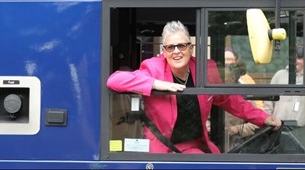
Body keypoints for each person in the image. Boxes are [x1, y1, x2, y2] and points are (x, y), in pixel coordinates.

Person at [106, 20, 281, 154]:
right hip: (159, 150)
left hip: (192, 148)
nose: (176, 51)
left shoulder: (207, 69)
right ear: (164, 51)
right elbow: (114, 80)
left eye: (181, 45)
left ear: (190, 48)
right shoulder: (153, 68)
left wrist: (262, 117)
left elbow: (229, 99)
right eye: (170, 47)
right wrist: (156, 84)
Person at [263, 46, 305, 144]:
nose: (296, 61)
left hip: (301, 132)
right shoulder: (280, 75)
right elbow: (268, 102)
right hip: (277, 129)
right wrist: (267, 121)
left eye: (299, 58)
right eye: (293, 58)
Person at [223, 49, 263, 150]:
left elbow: (258, 122)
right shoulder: (212, 93)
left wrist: (237, 129)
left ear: (232, 78)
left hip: (236, 148)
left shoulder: (244, 93)